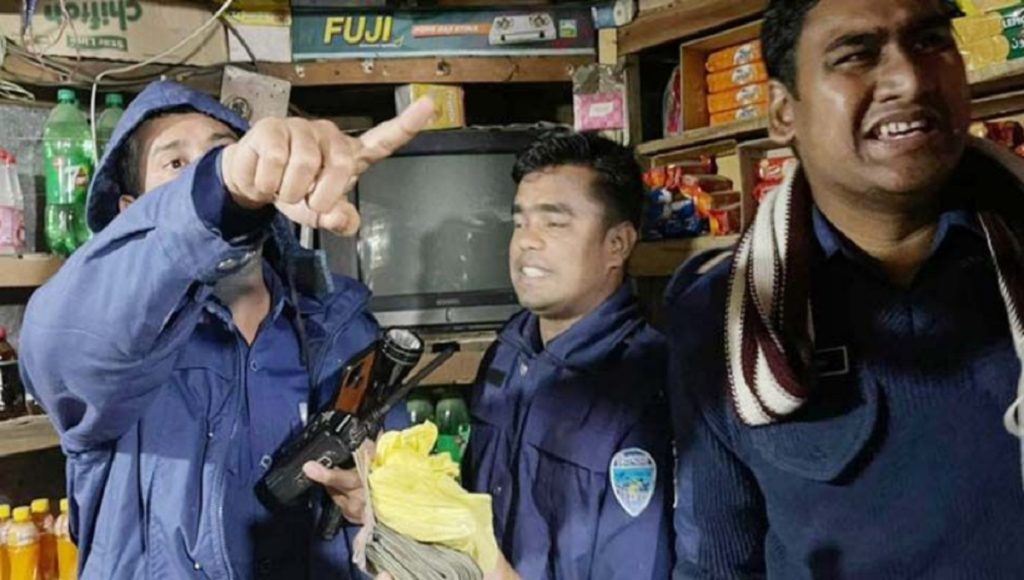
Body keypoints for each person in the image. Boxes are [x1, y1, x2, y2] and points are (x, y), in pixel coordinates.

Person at [18, 80, 434, 579]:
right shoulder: (119, 349)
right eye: (176, 163)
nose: (205, 170)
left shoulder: (341, 330)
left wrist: (380, 509)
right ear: (133, 212)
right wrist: (218, 190)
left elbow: (417, 510)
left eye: (222, 152)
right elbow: (60, 345)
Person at [666, 0, 1024, 577]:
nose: (910, 79)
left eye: (931, 41)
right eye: (856, 55)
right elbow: (717, 564)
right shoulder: (728, 322)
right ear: (783, 113)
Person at [462, 131, 674, 579]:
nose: (526, 242)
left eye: (554, 223)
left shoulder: (646, 385)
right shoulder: (507, 354)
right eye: (519, 222)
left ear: (617, 244)